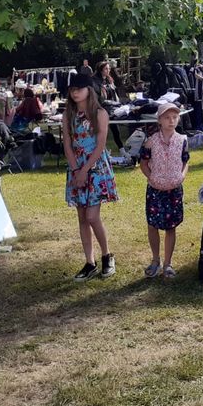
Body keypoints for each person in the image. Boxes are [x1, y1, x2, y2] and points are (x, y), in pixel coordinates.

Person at [62, 72, 118, 281]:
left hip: (95, 167)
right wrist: (76, 170)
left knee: (92, 216)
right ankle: (89, 262)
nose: (75, 93)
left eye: (79, 89)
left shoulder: (100, 113)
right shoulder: (68, 115)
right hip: (76, 166)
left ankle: (107, 255)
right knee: (82, 217)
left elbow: (101, 145)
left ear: (89, 90)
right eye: (72, 89)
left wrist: (85, 170)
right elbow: (67, 144)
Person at [139, 102, 189, 279]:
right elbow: (143, 163)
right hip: (156, 189)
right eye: (167, 117)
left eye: (175, 117)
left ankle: (168, 263)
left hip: (174, 189)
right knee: (152, 225)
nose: (171, 121)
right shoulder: (151, 141)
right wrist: (151, 177)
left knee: (171, 226)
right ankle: (155, 260)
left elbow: (185, 161)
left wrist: (182, 176)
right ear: (159, 120)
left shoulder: (182, 140)